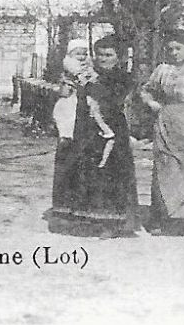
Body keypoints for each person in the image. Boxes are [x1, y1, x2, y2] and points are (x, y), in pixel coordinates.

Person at [47, 35, 139, 237]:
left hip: (111, 130)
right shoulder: (87, 72)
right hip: (86, 129)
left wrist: (88, 82)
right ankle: (90, 218)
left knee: (110, 172)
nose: (103, 59)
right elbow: (68, 95)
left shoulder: (122, 77)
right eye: (99, 55)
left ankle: (112, 222)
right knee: (88, 172)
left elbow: (111, 98)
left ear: (120, 57)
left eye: (109, 55)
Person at [138, 31, 184, 238]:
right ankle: (160, 217)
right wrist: (152, 103)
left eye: (178, 48)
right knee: (165, 167)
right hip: (166, 121)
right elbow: (146, 90)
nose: (174, 53)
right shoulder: (162, 70)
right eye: (170, 49)